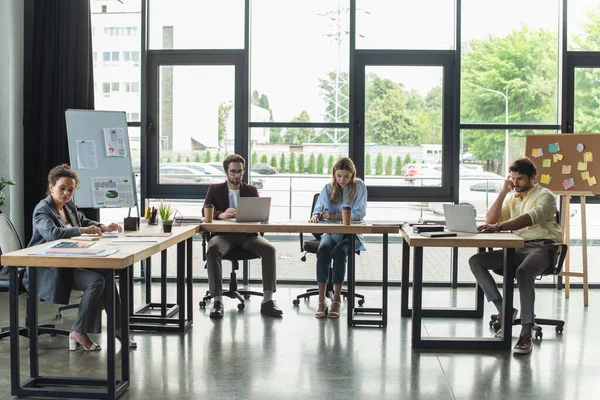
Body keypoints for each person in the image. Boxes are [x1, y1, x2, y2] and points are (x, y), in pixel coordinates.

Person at [28, 164, 135, 351]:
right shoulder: (42, 209)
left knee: (107, 275)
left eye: (71, 190)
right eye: (62, 188)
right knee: (96, 281)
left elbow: (83, 220)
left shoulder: (68, 206)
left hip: (70, 260)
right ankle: (79, 331)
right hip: (48, 266)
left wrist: (102, 226)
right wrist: (82, 230)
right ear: (51, 187)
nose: (67, 193)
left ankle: (117, 328)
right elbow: (52, 233)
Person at [469, 157, 562, 354]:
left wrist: (499, 227)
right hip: (516, 248)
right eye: (512, 179)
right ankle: (504, 309)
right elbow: (491, 219)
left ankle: (526, 332)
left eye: (520, 179)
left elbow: (529, 219)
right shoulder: (512, 198)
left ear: (533, 177)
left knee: (523, 272)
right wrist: (503, 192)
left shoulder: (546, 196)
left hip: (543, 248)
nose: (515, 183)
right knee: (477, 261)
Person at [203, 154, 282, 319]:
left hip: (248, 236)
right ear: (226, 172)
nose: (236, 175)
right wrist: (220, 214)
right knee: (213, 249)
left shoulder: (251, 190)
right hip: (223, 236)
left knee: (269, 249)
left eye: (239, 172)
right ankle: (217, 300)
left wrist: (258, 216)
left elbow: (261, 214)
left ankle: (267, 301)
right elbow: (205, 211)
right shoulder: (215, 189)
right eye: (233, 172)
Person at [309, 157, 367, 319]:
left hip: (352, 235)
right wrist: (316, 215)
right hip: (331, 233)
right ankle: (322, 300)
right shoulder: (328, 188)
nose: (342, 180)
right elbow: (319, 207)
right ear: (334, 174)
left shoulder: (359, 187)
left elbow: (358, 213)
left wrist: (334, 216)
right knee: (323, 250)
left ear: (352, 175)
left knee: (340, 253)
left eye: (346, 176)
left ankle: (336, 299)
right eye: (339, 176)